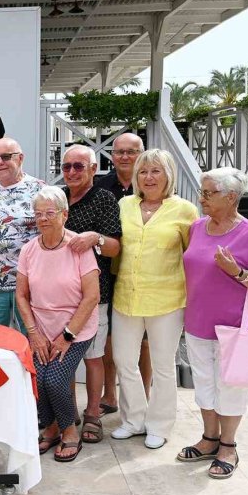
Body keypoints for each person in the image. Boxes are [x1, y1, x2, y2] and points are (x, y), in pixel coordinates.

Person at [180, 167, 248, 479]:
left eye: (210, 193)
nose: (202, 198)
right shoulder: (196, 227)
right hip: (197, 321)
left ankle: (228, 446)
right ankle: (209, 438)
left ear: (232, 197)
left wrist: (237, 272)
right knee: (205, 383)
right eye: (203, 191)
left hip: (234, 326)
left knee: (231, 386)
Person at [111, 149, 199, 449]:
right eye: (143, 172)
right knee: (124, 360)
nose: (148, 177)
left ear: (168, 175)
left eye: (155, 171)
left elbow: (193, 256)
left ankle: (160, 425)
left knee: (163, 366)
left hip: (167, 299)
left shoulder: (185, 210)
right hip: (127, 296)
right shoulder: (124, 204)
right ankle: (134, 419)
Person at [16, 186, 99, 462]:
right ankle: (51, 429)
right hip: (40, 329)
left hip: (75, 329)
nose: (43, 219)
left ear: (65, 214)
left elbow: (92, 297)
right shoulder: (29, 250)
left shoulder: (77, 247)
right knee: (38, 377)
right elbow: (21, 295)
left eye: (50, 213)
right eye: (38, 214)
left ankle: (69, 431)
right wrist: (33, 334)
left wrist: (67, 335)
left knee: (55, 378)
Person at [59, 145, 122, 444]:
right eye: (67, 166)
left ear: (93, 169)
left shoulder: (104, 199)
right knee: (65, 357)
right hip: (60, 294)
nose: (71, 172)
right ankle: (68, 412)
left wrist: (95, 239)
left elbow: (115, 247)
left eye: (78, 166)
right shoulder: (58, 197)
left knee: (94, 356)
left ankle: (93, 412)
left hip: (95, 294)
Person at [95, 132, 151, 416]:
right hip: (110, 271)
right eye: (120, 152)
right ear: (112, 156)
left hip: (144, 274)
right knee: (108, 338)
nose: (125, 157)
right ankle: (109, 394)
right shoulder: (101, 186)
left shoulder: (153, 184)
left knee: (144, 341)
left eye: (132, 151)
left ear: (141, 152)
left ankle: (145, 396)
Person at [0, 137, 44, 327]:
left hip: (28, 283)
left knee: (30, 340)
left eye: (6, 157)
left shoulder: (39, 189)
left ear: (20, 158)